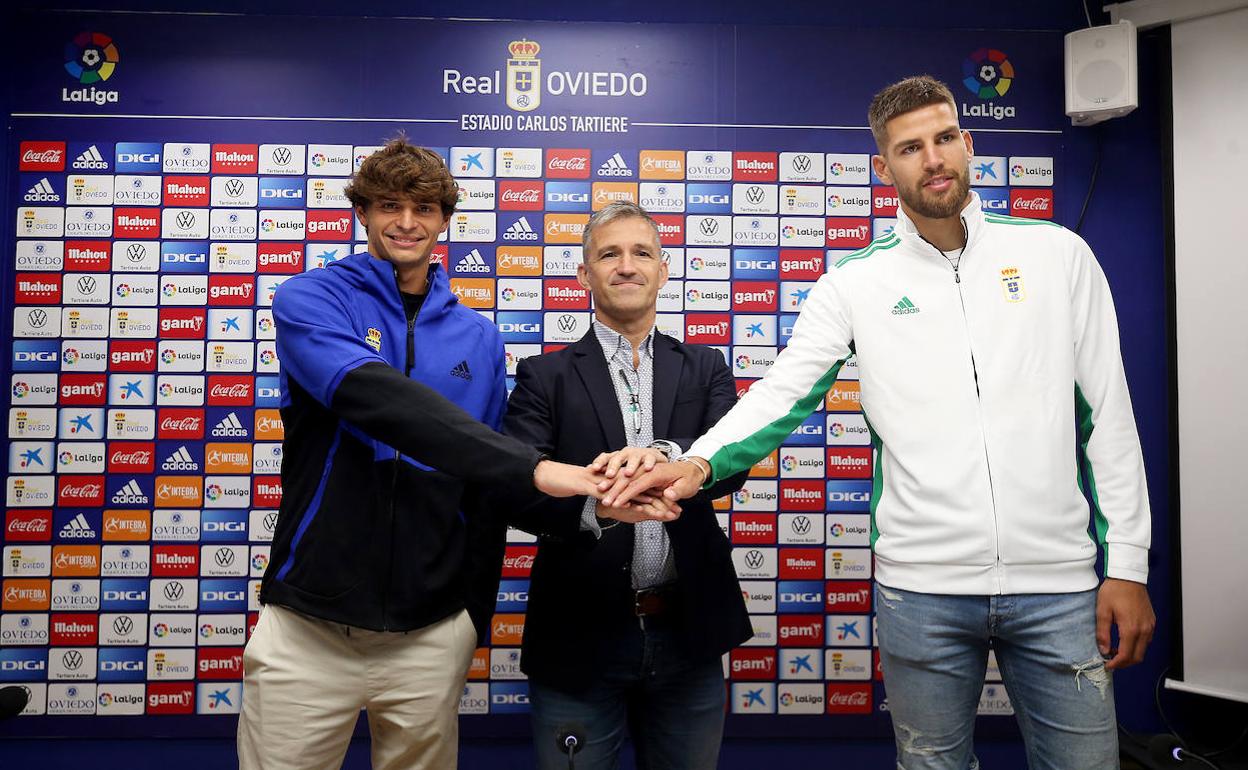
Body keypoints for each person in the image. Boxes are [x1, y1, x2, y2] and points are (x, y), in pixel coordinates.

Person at [604, 76, 1155, 769]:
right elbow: (781, 394)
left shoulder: (1058, 257)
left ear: (968, 142)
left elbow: (1110, 416)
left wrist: (1127, 566)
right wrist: (696, 463)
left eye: (945, 138)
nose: (934, 159)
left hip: (1059, 584)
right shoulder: (854, 285)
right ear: (883, 167)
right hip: (921, 589)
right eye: (911, 147)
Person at [237, 139, 664, 770]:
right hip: (309, 626)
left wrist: (472, 614)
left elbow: (488, 482)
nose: (406, 223)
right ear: (362, 212)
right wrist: (540, 469)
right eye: (388, 205)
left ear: (444, 219)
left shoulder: (478, 337)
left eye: (424, 208)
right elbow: (375, 398)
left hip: (431, 630)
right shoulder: (311, 299)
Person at [502, 202, 752, 769]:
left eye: (642, 252)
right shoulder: (544, 376)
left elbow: (732, 466)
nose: (626, 265)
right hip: (579, 636)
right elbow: (518, 489)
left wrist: (666, 459)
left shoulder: (706, 367)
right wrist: (605, 509)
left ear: (663, 271)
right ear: (584, 275)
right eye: (608, 254)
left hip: (688, 635)